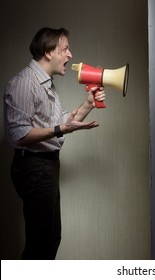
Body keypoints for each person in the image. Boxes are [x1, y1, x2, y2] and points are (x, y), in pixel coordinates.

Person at [3, 27, 106, 259]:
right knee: (40, 245)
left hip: (46, 166)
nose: (70, 55)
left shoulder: (46, 83)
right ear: (49, 52)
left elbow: (61, 122)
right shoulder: (23, 84)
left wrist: (88, 104)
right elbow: (18, 135)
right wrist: (61, 128)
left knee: (50, 239)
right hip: (33, 166)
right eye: (65, 49)